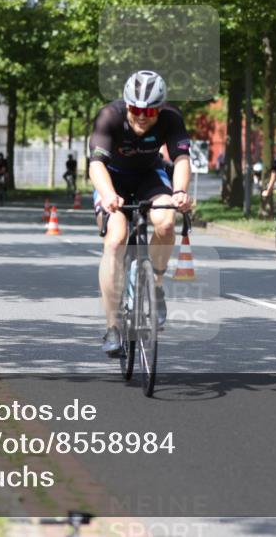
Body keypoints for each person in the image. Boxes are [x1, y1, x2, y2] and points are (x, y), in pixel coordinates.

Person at [89, 70, 192, 356]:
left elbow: (182, 159)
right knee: (116, 239)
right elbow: (96, 165)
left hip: (149, 175)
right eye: (136, 109)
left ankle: (156, 286)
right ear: (127, 104)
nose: (142, 116)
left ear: (159, 109)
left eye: (149, 111)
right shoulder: (109, 116)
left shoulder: (172, 118)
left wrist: (180, 190)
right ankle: (112, 327)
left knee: (166, 221)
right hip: (113, 179)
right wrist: (109, 195)